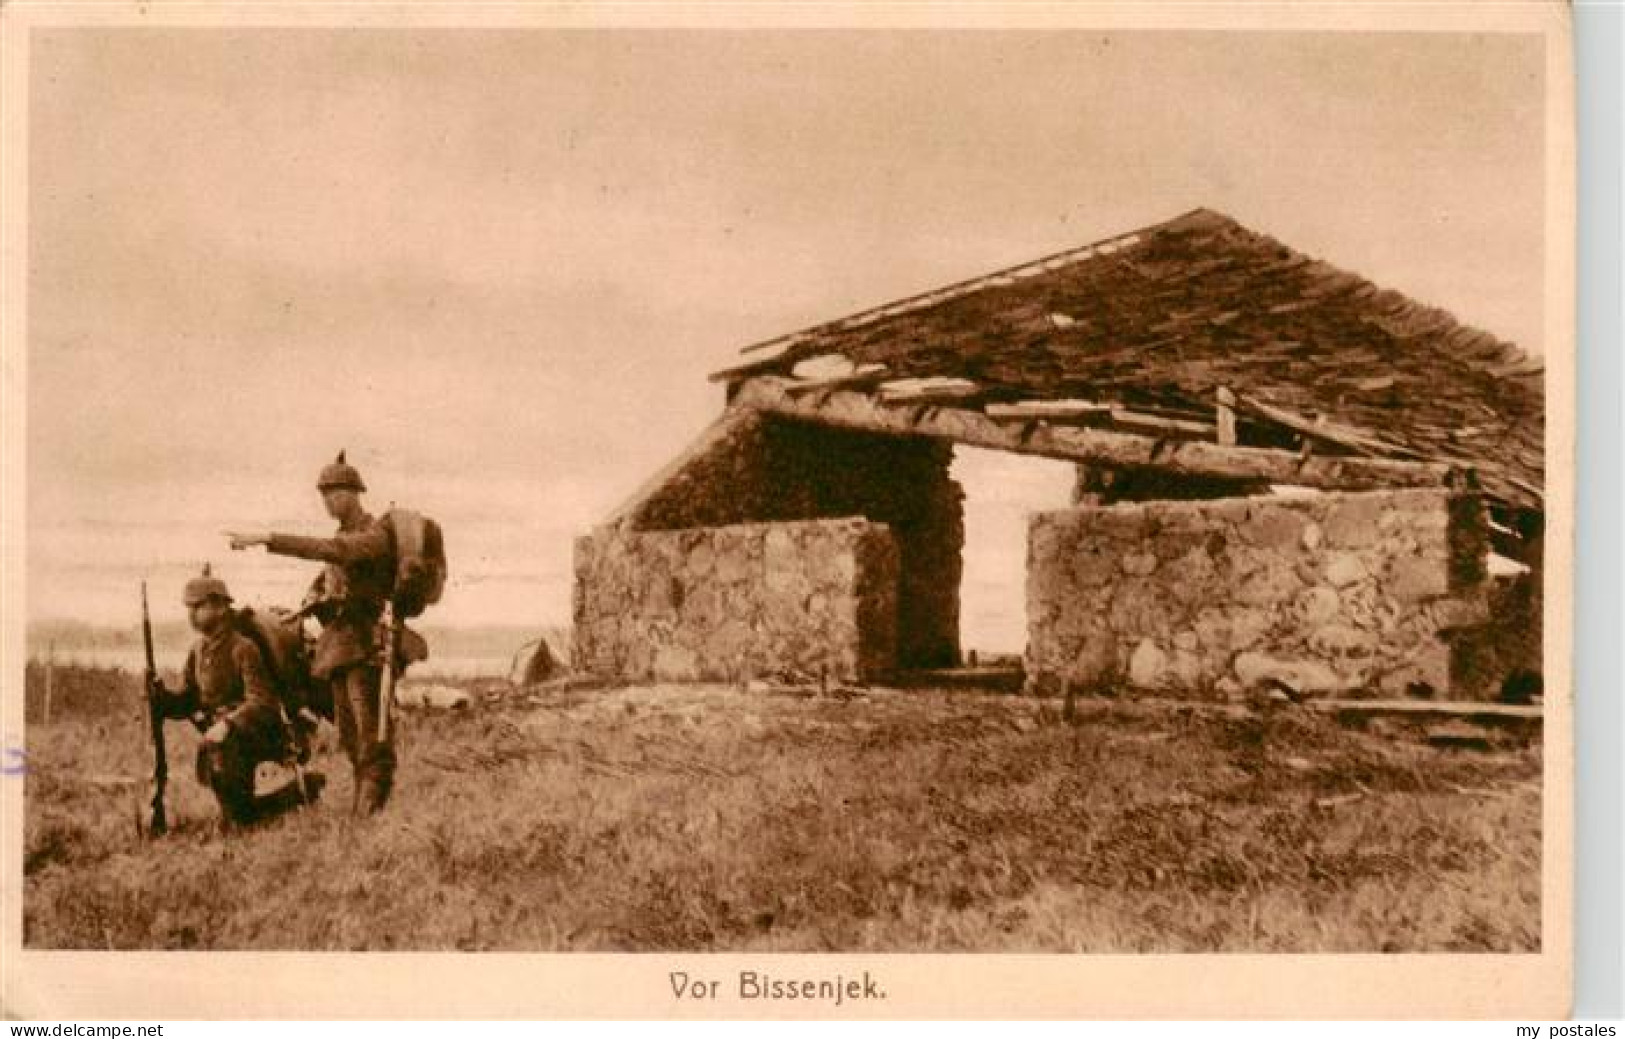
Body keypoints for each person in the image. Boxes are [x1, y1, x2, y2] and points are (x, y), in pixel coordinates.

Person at [227, 451, 398, 816]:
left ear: (355, 493)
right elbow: (327, 579)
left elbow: (331, 551)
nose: (327, 501)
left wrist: (268, 538)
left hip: (368, 649)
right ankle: (363, 814)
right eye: (323, 494)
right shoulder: (344, 536)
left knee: (372, 739)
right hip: (338, 650)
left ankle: (370, 816)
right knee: (351, 740)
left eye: (335, 493)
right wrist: (308, 603)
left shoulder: (373, 535)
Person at [147, 565, 319, 829]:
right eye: (189, 608)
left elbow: (262, 701)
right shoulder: (198, 650)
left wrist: (228, 724)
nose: (191, 615)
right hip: (222, 736)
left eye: (198, 607)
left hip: (258, 733)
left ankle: (251, 815)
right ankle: (249, 814)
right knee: (222, 770)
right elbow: (189, 700)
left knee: (225, 761)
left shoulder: (243, 648)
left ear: (220, 608)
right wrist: (162, 698)